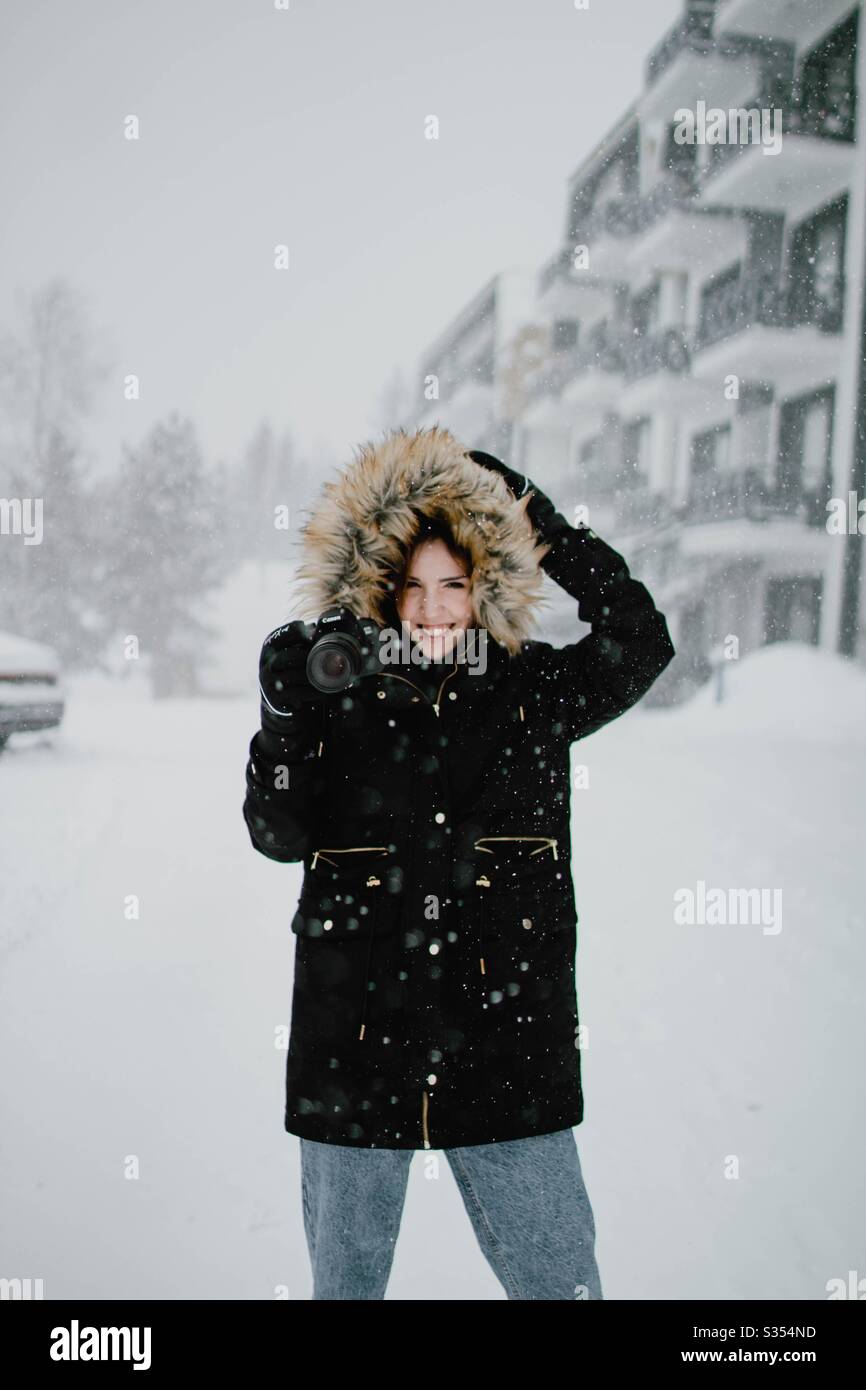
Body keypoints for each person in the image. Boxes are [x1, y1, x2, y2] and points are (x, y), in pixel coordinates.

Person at [243, 423, 676, 1299]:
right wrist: (283, 718)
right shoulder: (340, 700)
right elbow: (277, 833)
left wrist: (535, 521)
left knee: (563, 1284)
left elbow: (640, 638)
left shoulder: (532, 693)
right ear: (380, 591)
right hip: (355, 1053)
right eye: (413, 586)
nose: (436, 609)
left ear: (487, 584)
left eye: (455, 583)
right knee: (346, 1290)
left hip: (508, 1053)